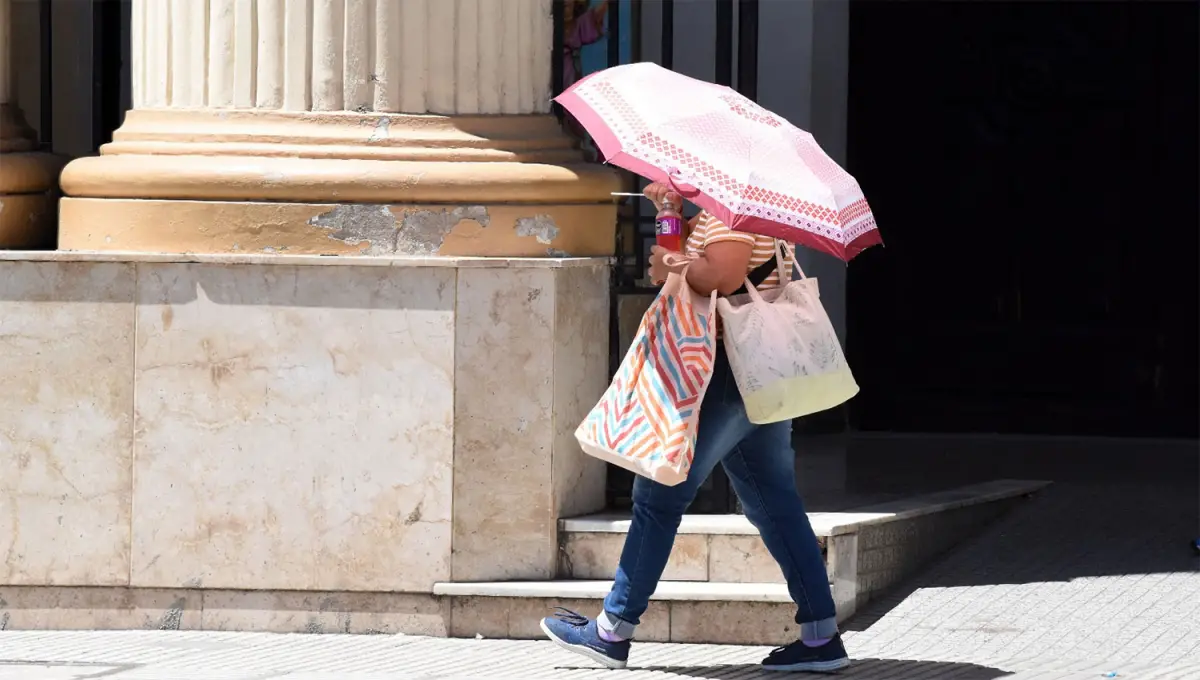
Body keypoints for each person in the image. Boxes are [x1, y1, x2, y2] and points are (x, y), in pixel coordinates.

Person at [540, 184, 851, 673]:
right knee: (775, 502)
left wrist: (671, 265)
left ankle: (612, 630)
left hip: (727, 373)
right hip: (759, 377)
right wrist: (671, 217)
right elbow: (698, 259)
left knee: (659, 495)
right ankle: (820, 636)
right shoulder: (742, 212)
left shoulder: (733, 214)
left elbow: (722, 277)